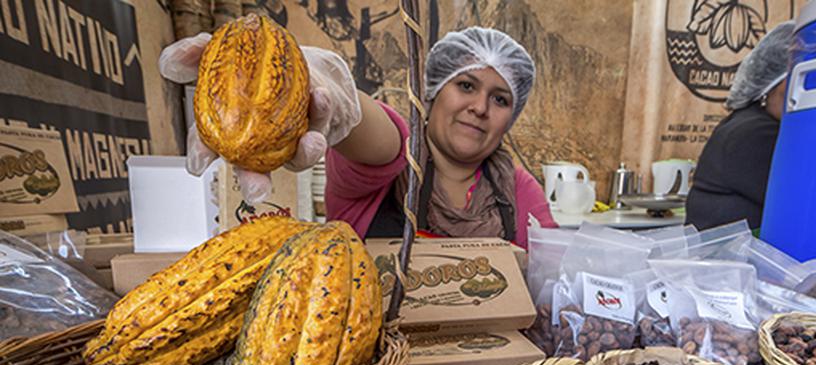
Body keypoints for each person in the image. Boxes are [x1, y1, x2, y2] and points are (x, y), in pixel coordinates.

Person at [160, 26, 557, 249]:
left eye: (500, 98)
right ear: (434, 93)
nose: (480, 107)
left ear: (511, 116)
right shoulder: (395, 158)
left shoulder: (519, 192)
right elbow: (383, 140)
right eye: (467, 85)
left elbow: (549, 285)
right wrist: (335, 95)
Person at [685, 22, 795, 231]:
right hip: (727, 260)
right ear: (768, 88)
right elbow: (798, 202)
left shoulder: (743, 122)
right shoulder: (755, 133)